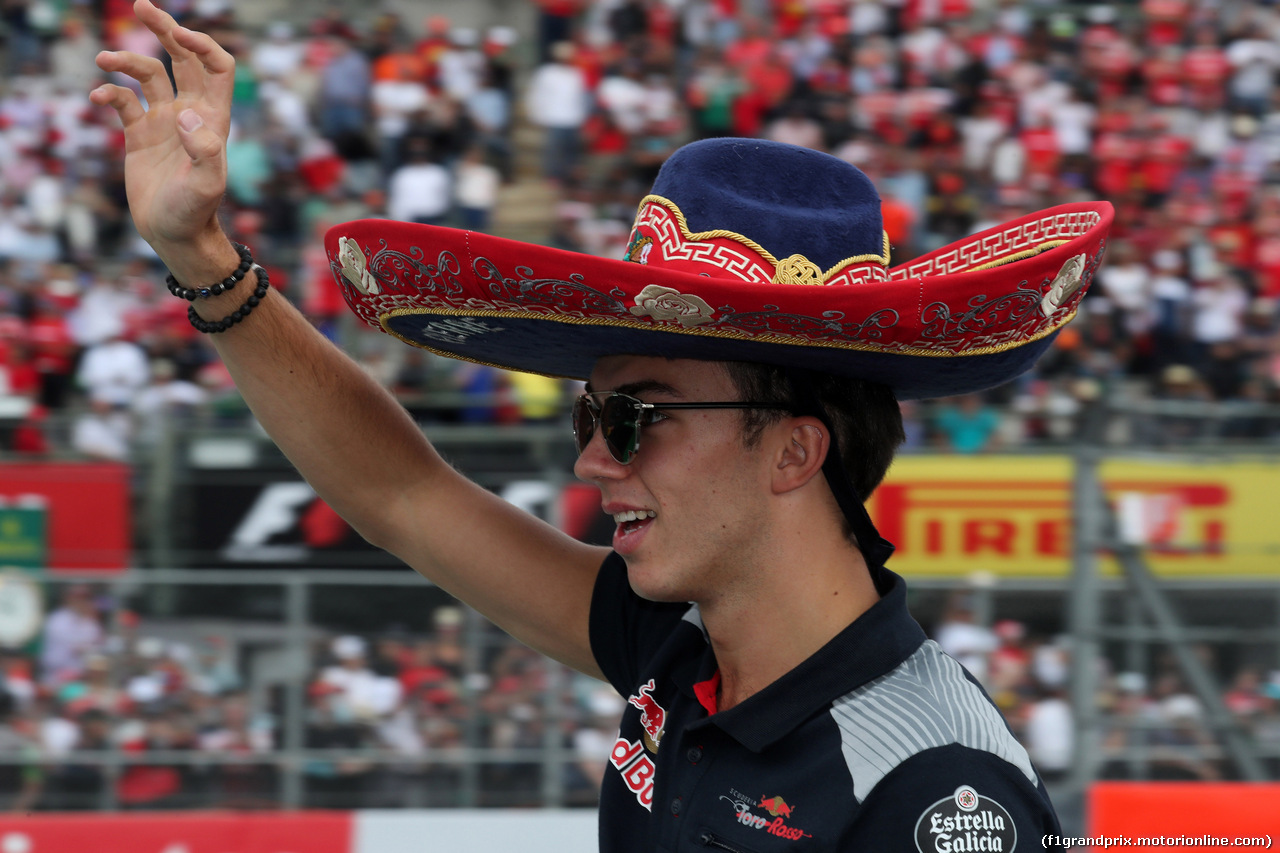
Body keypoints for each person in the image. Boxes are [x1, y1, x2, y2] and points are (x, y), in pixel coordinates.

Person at [91, 3, 1113, 847]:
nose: (589, 454)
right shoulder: (679, 646)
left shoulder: (933, 792)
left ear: (795, 449)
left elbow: (407, 497)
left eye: (634, 415)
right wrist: (198, 253)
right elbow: (403, 494)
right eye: (593, 410)